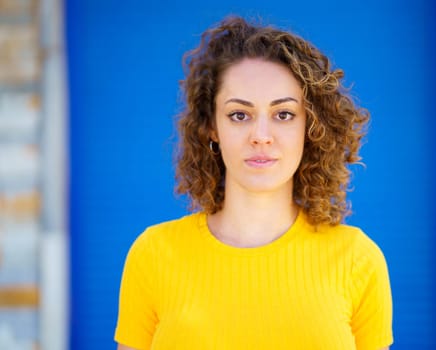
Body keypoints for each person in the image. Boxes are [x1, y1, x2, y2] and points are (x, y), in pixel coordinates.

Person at [114, 15, 393, 350]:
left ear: (311, 127)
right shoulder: (154, 254)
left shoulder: (358, 260)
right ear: (212, 128)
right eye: (239, 115)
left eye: (284, 114)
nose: (261, 136)